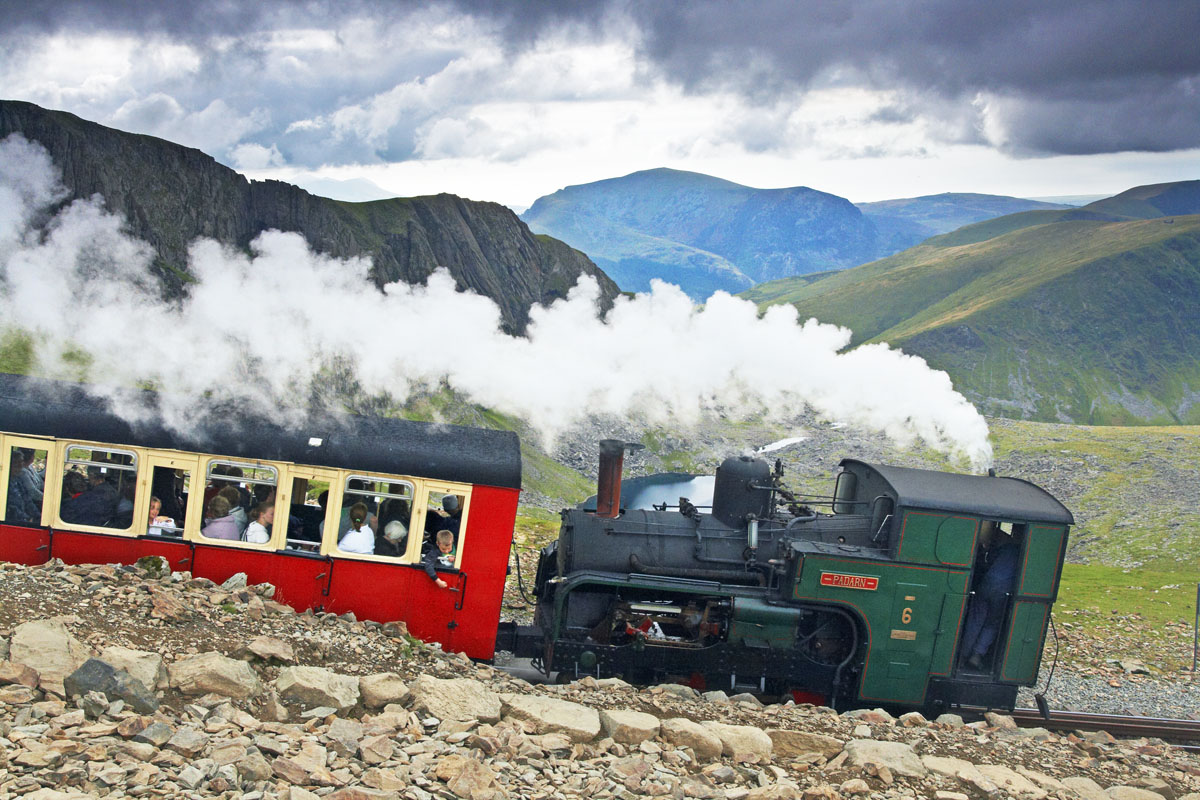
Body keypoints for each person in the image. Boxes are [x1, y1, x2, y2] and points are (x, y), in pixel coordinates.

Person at [960, 523, 1020, 670]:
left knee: (975, 618)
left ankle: (962, 654)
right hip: (1003, 589)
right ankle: (977, 654)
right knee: (992, 623)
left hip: (987, 583)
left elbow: (987, 562)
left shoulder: (1003, 548)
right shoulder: (1019, 551)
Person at [5, 450, 38, 523]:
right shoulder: (5, 483)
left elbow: (27, 500)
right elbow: (10, 508)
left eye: (21, 462)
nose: (20, 465)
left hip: (24, 517)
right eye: (17, 462)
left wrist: (37, 515)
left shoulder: (18, 481)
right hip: (12, 521)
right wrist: (26, 518)